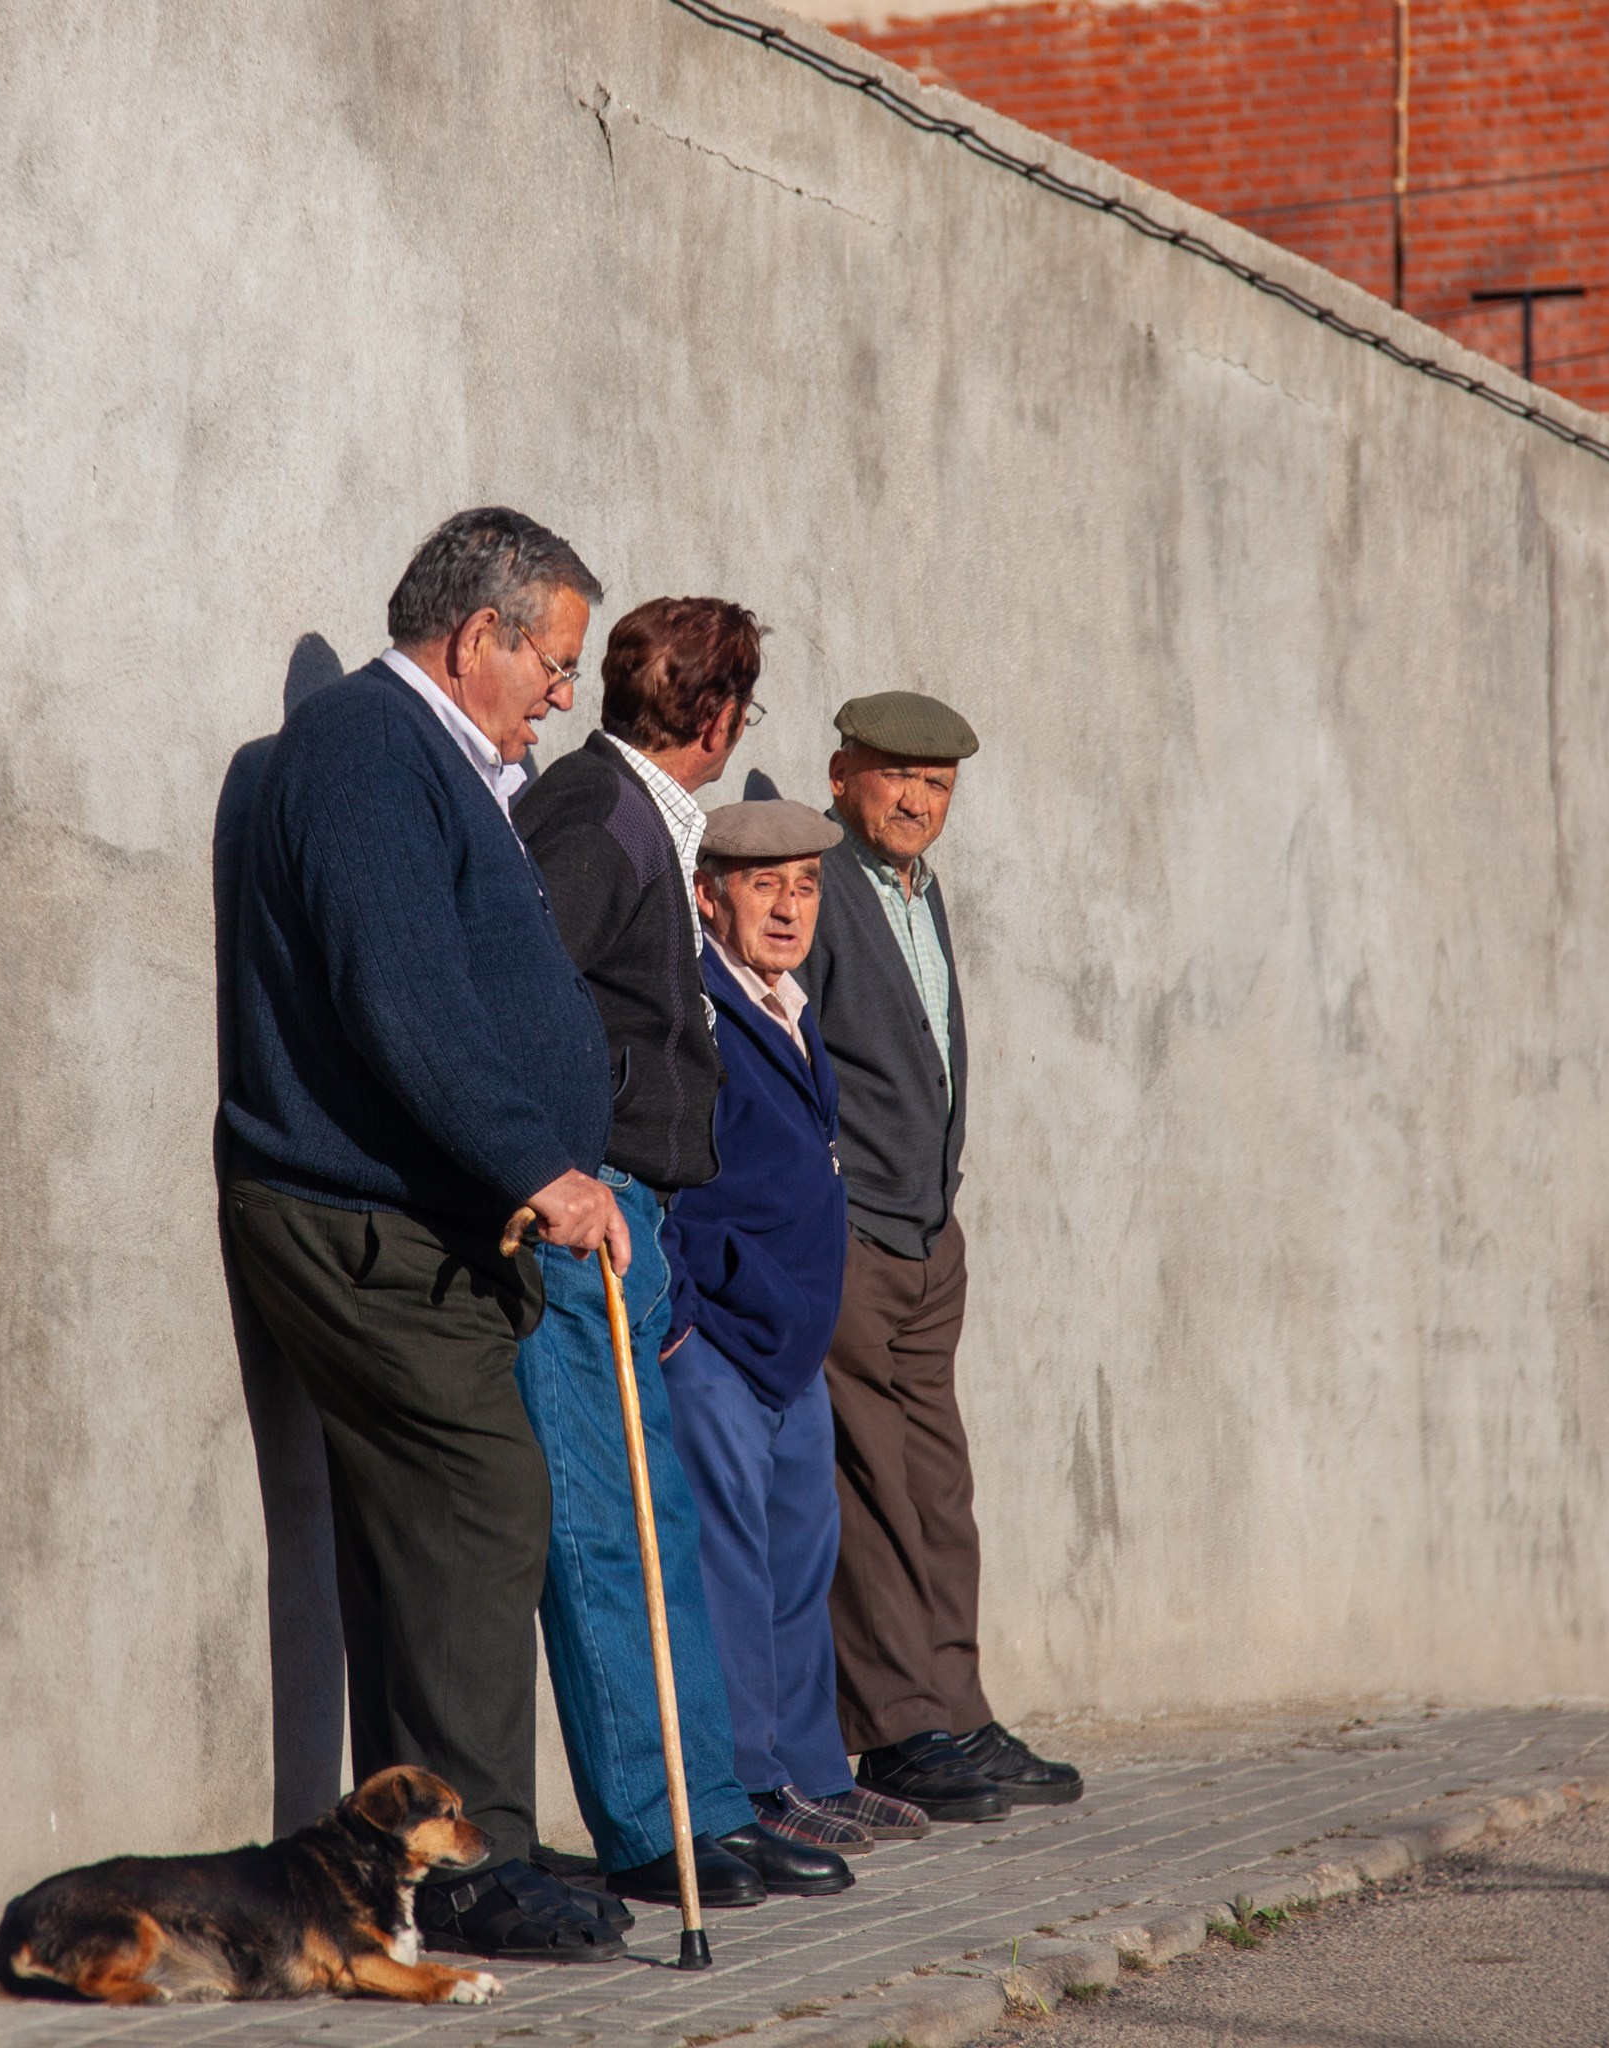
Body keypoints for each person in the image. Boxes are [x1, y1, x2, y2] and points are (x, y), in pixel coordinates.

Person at [221, 507, 636, 1964]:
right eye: (559, 661)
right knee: (478, 1497)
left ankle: (434, 1849)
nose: (566, 693)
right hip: (361, 1220)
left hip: (422, 1225)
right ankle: (464, 1870)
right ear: (481, 638)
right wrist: (538, 1161)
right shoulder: (363, 752)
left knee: (446, 1518)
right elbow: (400, 996)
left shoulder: (434, 765)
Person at [514, 602, 852, 1906]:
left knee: (659, 1518)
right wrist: (571, 1163)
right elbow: (516, 989)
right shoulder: (598, 817)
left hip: (630, 1209)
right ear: (720, 717)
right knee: (606, 1524)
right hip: (585, 1206)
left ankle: (710, 1806)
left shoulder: (641, 812)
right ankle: (658, 1831)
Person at [796, 692, 1084, 1819]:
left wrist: (938, 1204)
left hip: (925, 1232)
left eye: (940, 784)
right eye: (897, 775)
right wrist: (834, 1208)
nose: (919, 800)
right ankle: (899, 1726)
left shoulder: (919, 888)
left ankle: (956, 1705)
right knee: (867, 1481)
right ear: (839, 772)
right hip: (856, 1230)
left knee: (937, 1486)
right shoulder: (818, 885)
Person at [660, 802, 934, 1858]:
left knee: (799, 1551)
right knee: (733, 1559)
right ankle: (753, 1782)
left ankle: (815, 1769)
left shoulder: (788, 1000)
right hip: (721, 1338)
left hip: (791, 1341)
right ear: (708, 894)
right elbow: (664, 1173)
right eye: (762, 883)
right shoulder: (700, 1009)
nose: (787, 905)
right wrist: (683, 1324)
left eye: (805, 885)